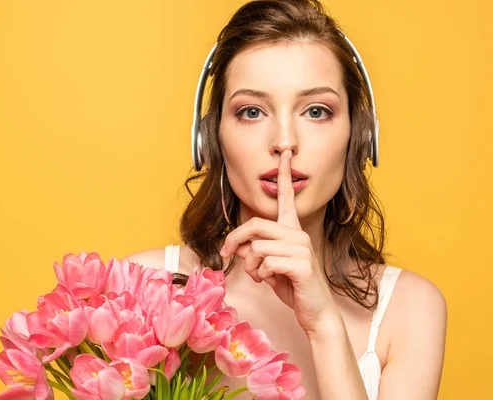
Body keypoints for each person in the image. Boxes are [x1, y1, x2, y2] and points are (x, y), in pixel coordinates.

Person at [123, 0, 447, 398]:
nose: (284, 142)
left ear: (360, 138)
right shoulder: (141, 285)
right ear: (209, 141)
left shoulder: (411, 309)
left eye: (315, 111)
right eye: (252, 112)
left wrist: (324, 325)